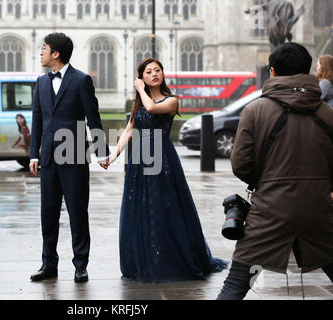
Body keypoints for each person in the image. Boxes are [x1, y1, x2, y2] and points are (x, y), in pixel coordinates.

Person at [217, 42, 333, 300]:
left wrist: (268, 181)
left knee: (237, 282)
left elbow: (241, 165)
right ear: (307, 71)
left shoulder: (255, 110)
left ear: (272, 72)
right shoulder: (328, 114)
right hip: (319, 209)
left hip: (270, 209)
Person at [105, 58, 228, 282]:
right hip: (140, 158)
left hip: (162, 157)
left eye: (157, 70)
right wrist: (114, 155)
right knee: (140, 208)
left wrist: (141, 90)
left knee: (164, 207)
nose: (154, 74)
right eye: (148, 72)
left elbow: (152, 108)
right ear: (142, 76)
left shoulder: (171, 100)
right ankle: (144, 257)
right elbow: (129, 130)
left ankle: (168, 258)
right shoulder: (139, 103)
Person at [29, 33, 110, 283]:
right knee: (48, 213)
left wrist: (102, 151)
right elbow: (37, 120)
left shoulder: (81, 80)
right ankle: (48, 264)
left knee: (77, 212)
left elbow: (92, 117)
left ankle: (80, 265)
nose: (40, 52)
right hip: (48, 160)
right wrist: (33, 154)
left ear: (56, 54)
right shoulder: (41, 83)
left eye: (44, 48)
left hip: (74, 155)